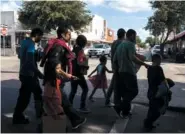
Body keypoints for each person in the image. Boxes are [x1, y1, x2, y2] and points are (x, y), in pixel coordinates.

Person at [40, 27, 86, 129]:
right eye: (68, 34)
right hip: (53, 81)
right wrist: (67, 75)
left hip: (55, 80)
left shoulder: (59, 45)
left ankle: (73, 120)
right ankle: (51, 127)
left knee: (57, 104)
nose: (70, 36)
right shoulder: (58, 46)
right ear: (63, 35)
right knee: (55, 107)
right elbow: (56, 67)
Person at [113, 29, 149, 117]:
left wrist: (117, 70)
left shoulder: (120, 45)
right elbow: (132, 57)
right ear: (132, 35)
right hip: (129, 71)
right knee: (134, 91)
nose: (135, 38)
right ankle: (120, 106)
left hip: (121, 72)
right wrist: (144, 63)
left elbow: (115, 59)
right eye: (135, 36)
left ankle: (126, 111)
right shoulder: (131, 44)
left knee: (126, 92)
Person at [13, 28, 44, 124]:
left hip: (24, 73)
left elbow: (20, 56)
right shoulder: (31, 44)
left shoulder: (24, 42)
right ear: (37, 35)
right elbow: (30, 63)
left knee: (37, 92)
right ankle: (17, 117)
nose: (41, 39)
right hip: (29, 75)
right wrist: (39, 73)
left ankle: (39, 113)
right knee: (25, 98)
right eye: (41, 37)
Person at [144, 54, 174, 130]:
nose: (161, 61)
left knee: (151, 108)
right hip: (157, 93)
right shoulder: (158, 68)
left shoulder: (149, 68)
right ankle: (148, 123)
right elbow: (162, 80)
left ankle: (148, 123)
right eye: (160, 59)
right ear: (156, 60)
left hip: (150, 92)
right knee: (158, 111)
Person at [69, 35, 90, 113]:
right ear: (83, 43)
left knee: (73, 91)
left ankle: (69, 107)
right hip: (78, 73)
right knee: (85, 89)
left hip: (73, 72)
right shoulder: (80, 50)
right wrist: (86, 66)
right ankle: (82, 106)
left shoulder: (74, 49)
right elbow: (79, 62)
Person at [105, 28, 126, 107]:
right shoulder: (122, 43)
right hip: (120, 67)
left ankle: (107, 100)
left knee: (113, 84)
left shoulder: (114, 43)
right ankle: (117, 103)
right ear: (123, 34)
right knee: (118, 86)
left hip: (114, 66)